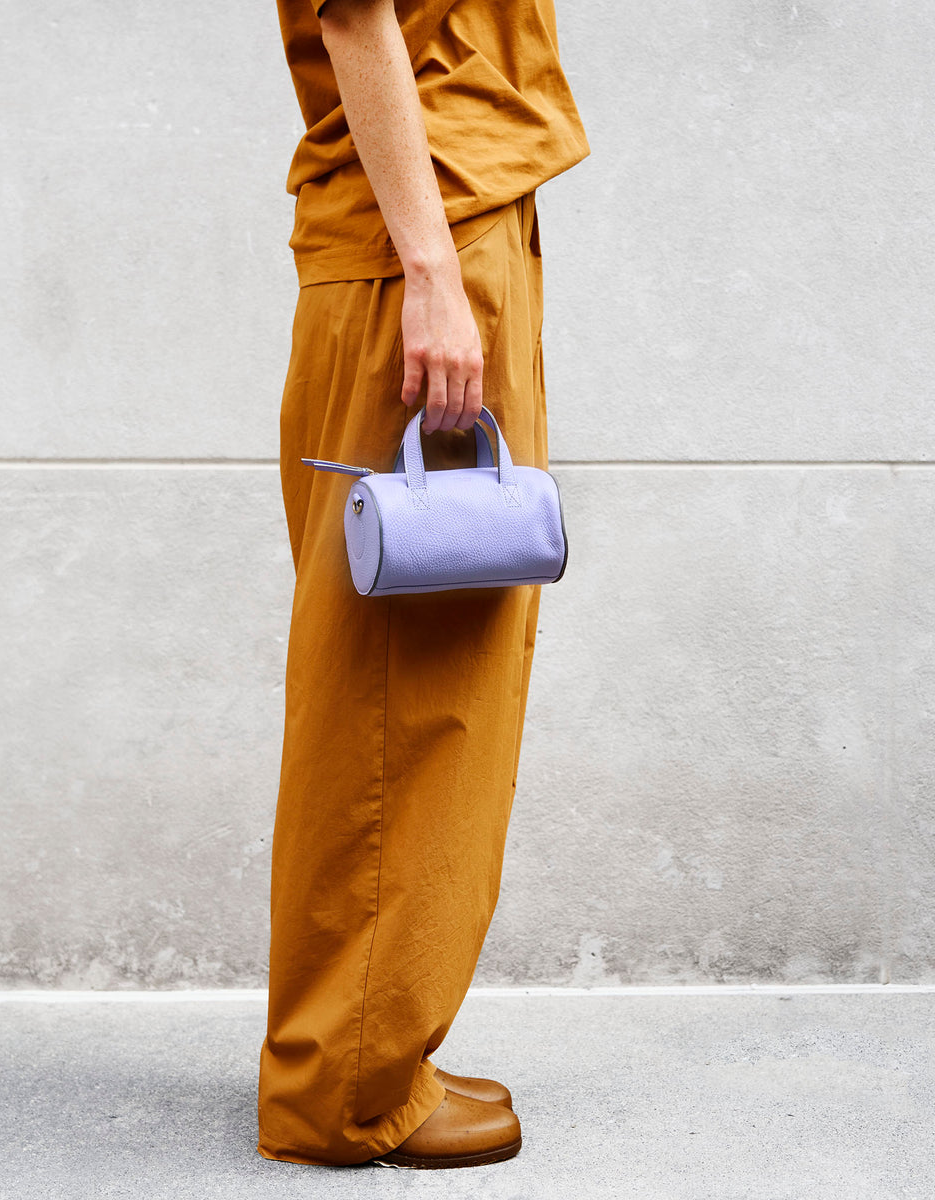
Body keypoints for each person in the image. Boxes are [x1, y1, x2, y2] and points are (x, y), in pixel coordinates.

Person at [258, 0, 590, 1170]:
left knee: (423, 686)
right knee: (403, 695)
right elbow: (354, 14)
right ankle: (346, 1091)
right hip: (425, 235)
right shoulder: (426, 255)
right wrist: (433, 270)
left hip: (450, 214)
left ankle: (364, 1048)